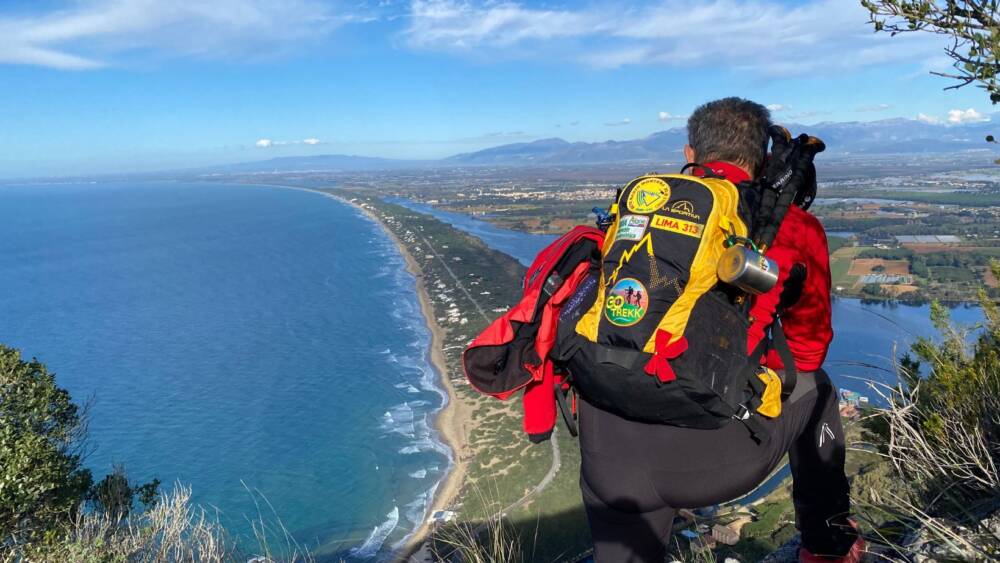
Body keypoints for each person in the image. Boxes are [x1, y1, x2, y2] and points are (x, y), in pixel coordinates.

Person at [577, 98, 865, 562]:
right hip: (710, 460)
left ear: (690, 154)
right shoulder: (794, 226)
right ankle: (828, 546)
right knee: (819, 389)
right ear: (764, 159)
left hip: (609, 458)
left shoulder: (631, 219)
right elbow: (809, 351)